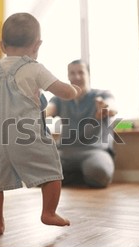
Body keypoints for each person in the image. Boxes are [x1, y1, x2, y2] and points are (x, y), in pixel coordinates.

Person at [0, 13, 81, 235]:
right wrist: (74, 90)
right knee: (52, 170)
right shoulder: (35, 68)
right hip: (27, 135)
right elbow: (63, 91)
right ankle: (49, 213)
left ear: (2, 45)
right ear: (37, 45)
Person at [46, 60, 117, 189]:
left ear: (88, 75)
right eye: (72, 73)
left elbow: (112, 108)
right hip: (65, 153)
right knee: (40, 173)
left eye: (80, 72)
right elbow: (47, 110)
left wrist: (104, 108)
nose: (76, 77)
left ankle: (69, 177)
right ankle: (78, 176)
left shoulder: (103, 95)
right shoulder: (59, 99)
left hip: (94, 151)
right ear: (68, 76)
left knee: (100, 174)